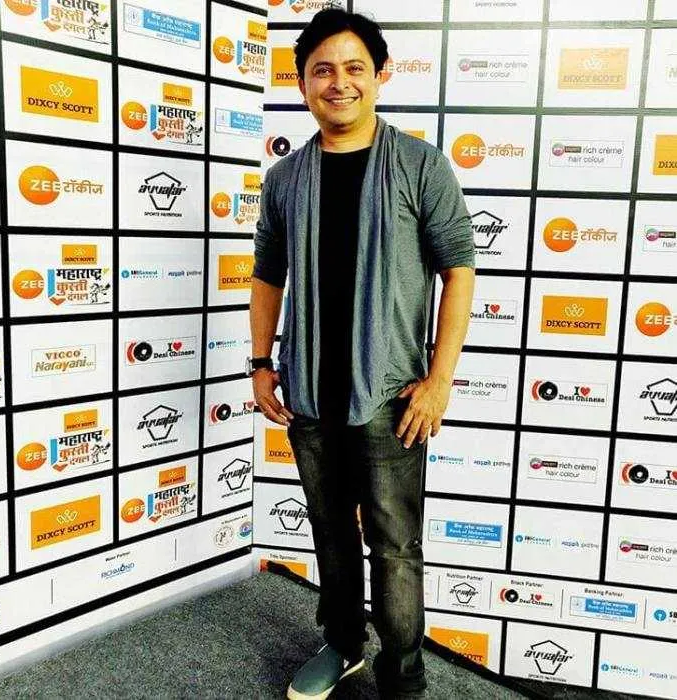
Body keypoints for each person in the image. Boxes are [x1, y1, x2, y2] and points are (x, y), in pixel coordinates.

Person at [249, 8, 475, 699]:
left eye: (354, 68)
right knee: (330, 533)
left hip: (391, 394)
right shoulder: (286, 178)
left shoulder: (420, 165)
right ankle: (343, 644)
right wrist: (261, 363)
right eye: (322, 70)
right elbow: (268, 274)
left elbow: (459, 270)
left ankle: (403, 677)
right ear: (301, 84)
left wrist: (439, 381)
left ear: (380, 76)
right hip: (310, 391)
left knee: (395, 546)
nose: (338, 82)